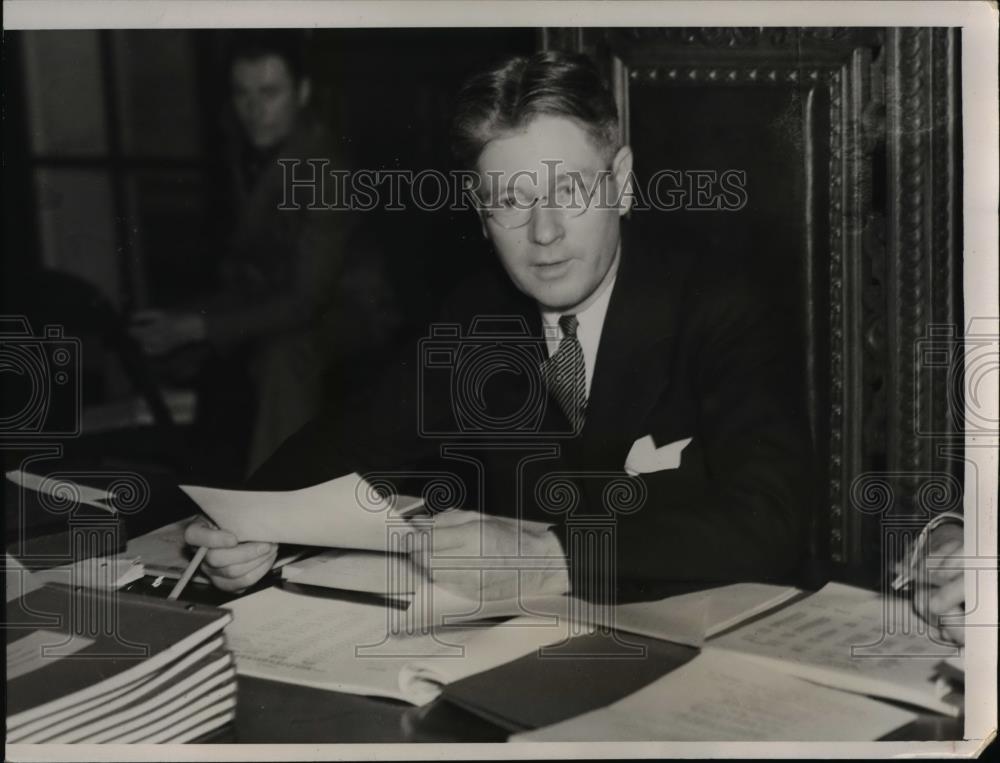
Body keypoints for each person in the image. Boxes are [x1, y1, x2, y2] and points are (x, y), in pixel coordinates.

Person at [186, 51, 816, 602]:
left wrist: (552, 559)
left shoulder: (721, 304)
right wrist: (247, 523)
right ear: (481, 216)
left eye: (568, 191)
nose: (543, 233)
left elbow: (770, 521)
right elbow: (352, 440)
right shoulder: (478, 317)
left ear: (621, 184)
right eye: (512, 201)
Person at [130, 31, 395, 476]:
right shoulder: (247, 147)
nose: (253, 110)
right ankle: (188, 476)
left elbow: (305, 301)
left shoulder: (324, 167)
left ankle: (277, 492)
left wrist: (199, 326)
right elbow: (251, 264)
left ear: (303, 92)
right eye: (242, 93)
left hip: (348, 309)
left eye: (269, 93)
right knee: (158, 332)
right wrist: (192, 320)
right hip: (275, 292)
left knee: (283, 352)